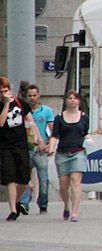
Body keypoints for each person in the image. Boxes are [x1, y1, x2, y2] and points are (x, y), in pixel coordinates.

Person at [0, 77, 45, 221]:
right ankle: (13, 209)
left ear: (10, 90)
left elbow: (31, 121)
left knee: (25, 178)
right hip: (5, 146)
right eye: (1, 92)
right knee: (10, 177)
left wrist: (39, 139)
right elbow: (1, 123)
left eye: (6, 91)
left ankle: (17, 201)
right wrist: (6, 104)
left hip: (21, 145)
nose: (4, 94)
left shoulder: (21, 104)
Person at [49, 90, 89, 222]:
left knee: (75, 182)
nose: (72, 100)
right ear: (66, 101)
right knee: (63, 185)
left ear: (79, 101)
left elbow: (85, 133)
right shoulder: (59, 118)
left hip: (78, 153)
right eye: (69, 98)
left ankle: (75, 212)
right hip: (62, 154)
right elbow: (55, 135)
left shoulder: (84, 117)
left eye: (75, 98)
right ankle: (66, 205)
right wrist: (51, 148)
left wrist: (89, 140)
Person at [19, 85, 54, 215]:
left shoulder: (46, 111)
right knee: (24, 178)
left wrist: (49, 144)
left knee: (43, 179)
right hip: (26, 148)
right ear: (26, 97)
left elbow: (52, 129)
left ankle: (43, 203)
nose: (32, 98)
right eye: (30, 96)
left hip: (40, 149)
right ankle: (24, 202)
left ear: (38, 96)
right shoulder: (22, 111)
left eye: (34, 95)